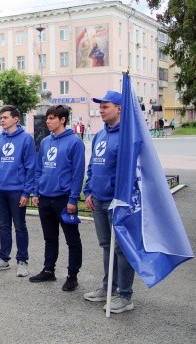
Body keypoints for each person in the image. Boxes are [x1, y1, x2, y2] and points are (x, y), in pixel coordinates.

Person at [83, 90, 135, 314]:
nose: (101, 110)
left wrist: (121, 197)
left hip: (117, 202)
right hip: (99, 199)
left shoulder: (127, 136)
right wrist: (89, 191)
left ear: (119, 108)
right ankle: (108, 287)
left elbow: (131, 171)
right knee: (106, 246)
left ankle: (125, 295)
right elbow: (93, 166)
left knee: (122, 249)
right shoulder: (100, 135)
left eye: (105, 107)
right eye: (100, 107)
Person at [30, 105, 85, 292]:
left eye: (52, 118)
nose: (48, 121)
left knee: (72, 239)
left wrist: (73, 199)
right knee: (50, 237)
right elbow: (39, 169)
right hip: (45, 197)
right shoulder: (46, 142)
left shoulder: (75, 143)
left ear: (62, 120)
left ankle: (72, 276)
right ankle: (48, 270)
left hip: (64, 199)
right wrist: (36, 191)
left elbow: (78, 174)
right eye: (47, 118)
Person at [0, 105, 35, 277]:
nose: (2, 120)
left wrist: (26, 192)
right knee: (4, 226)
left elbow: (30, 167)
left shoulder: (26, 139)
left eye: (5, 117)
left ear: (16, 119)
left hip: (17, 190)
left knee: (20, 227)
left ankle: (22, 260)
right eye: (1, 118)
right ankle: (3, 259)